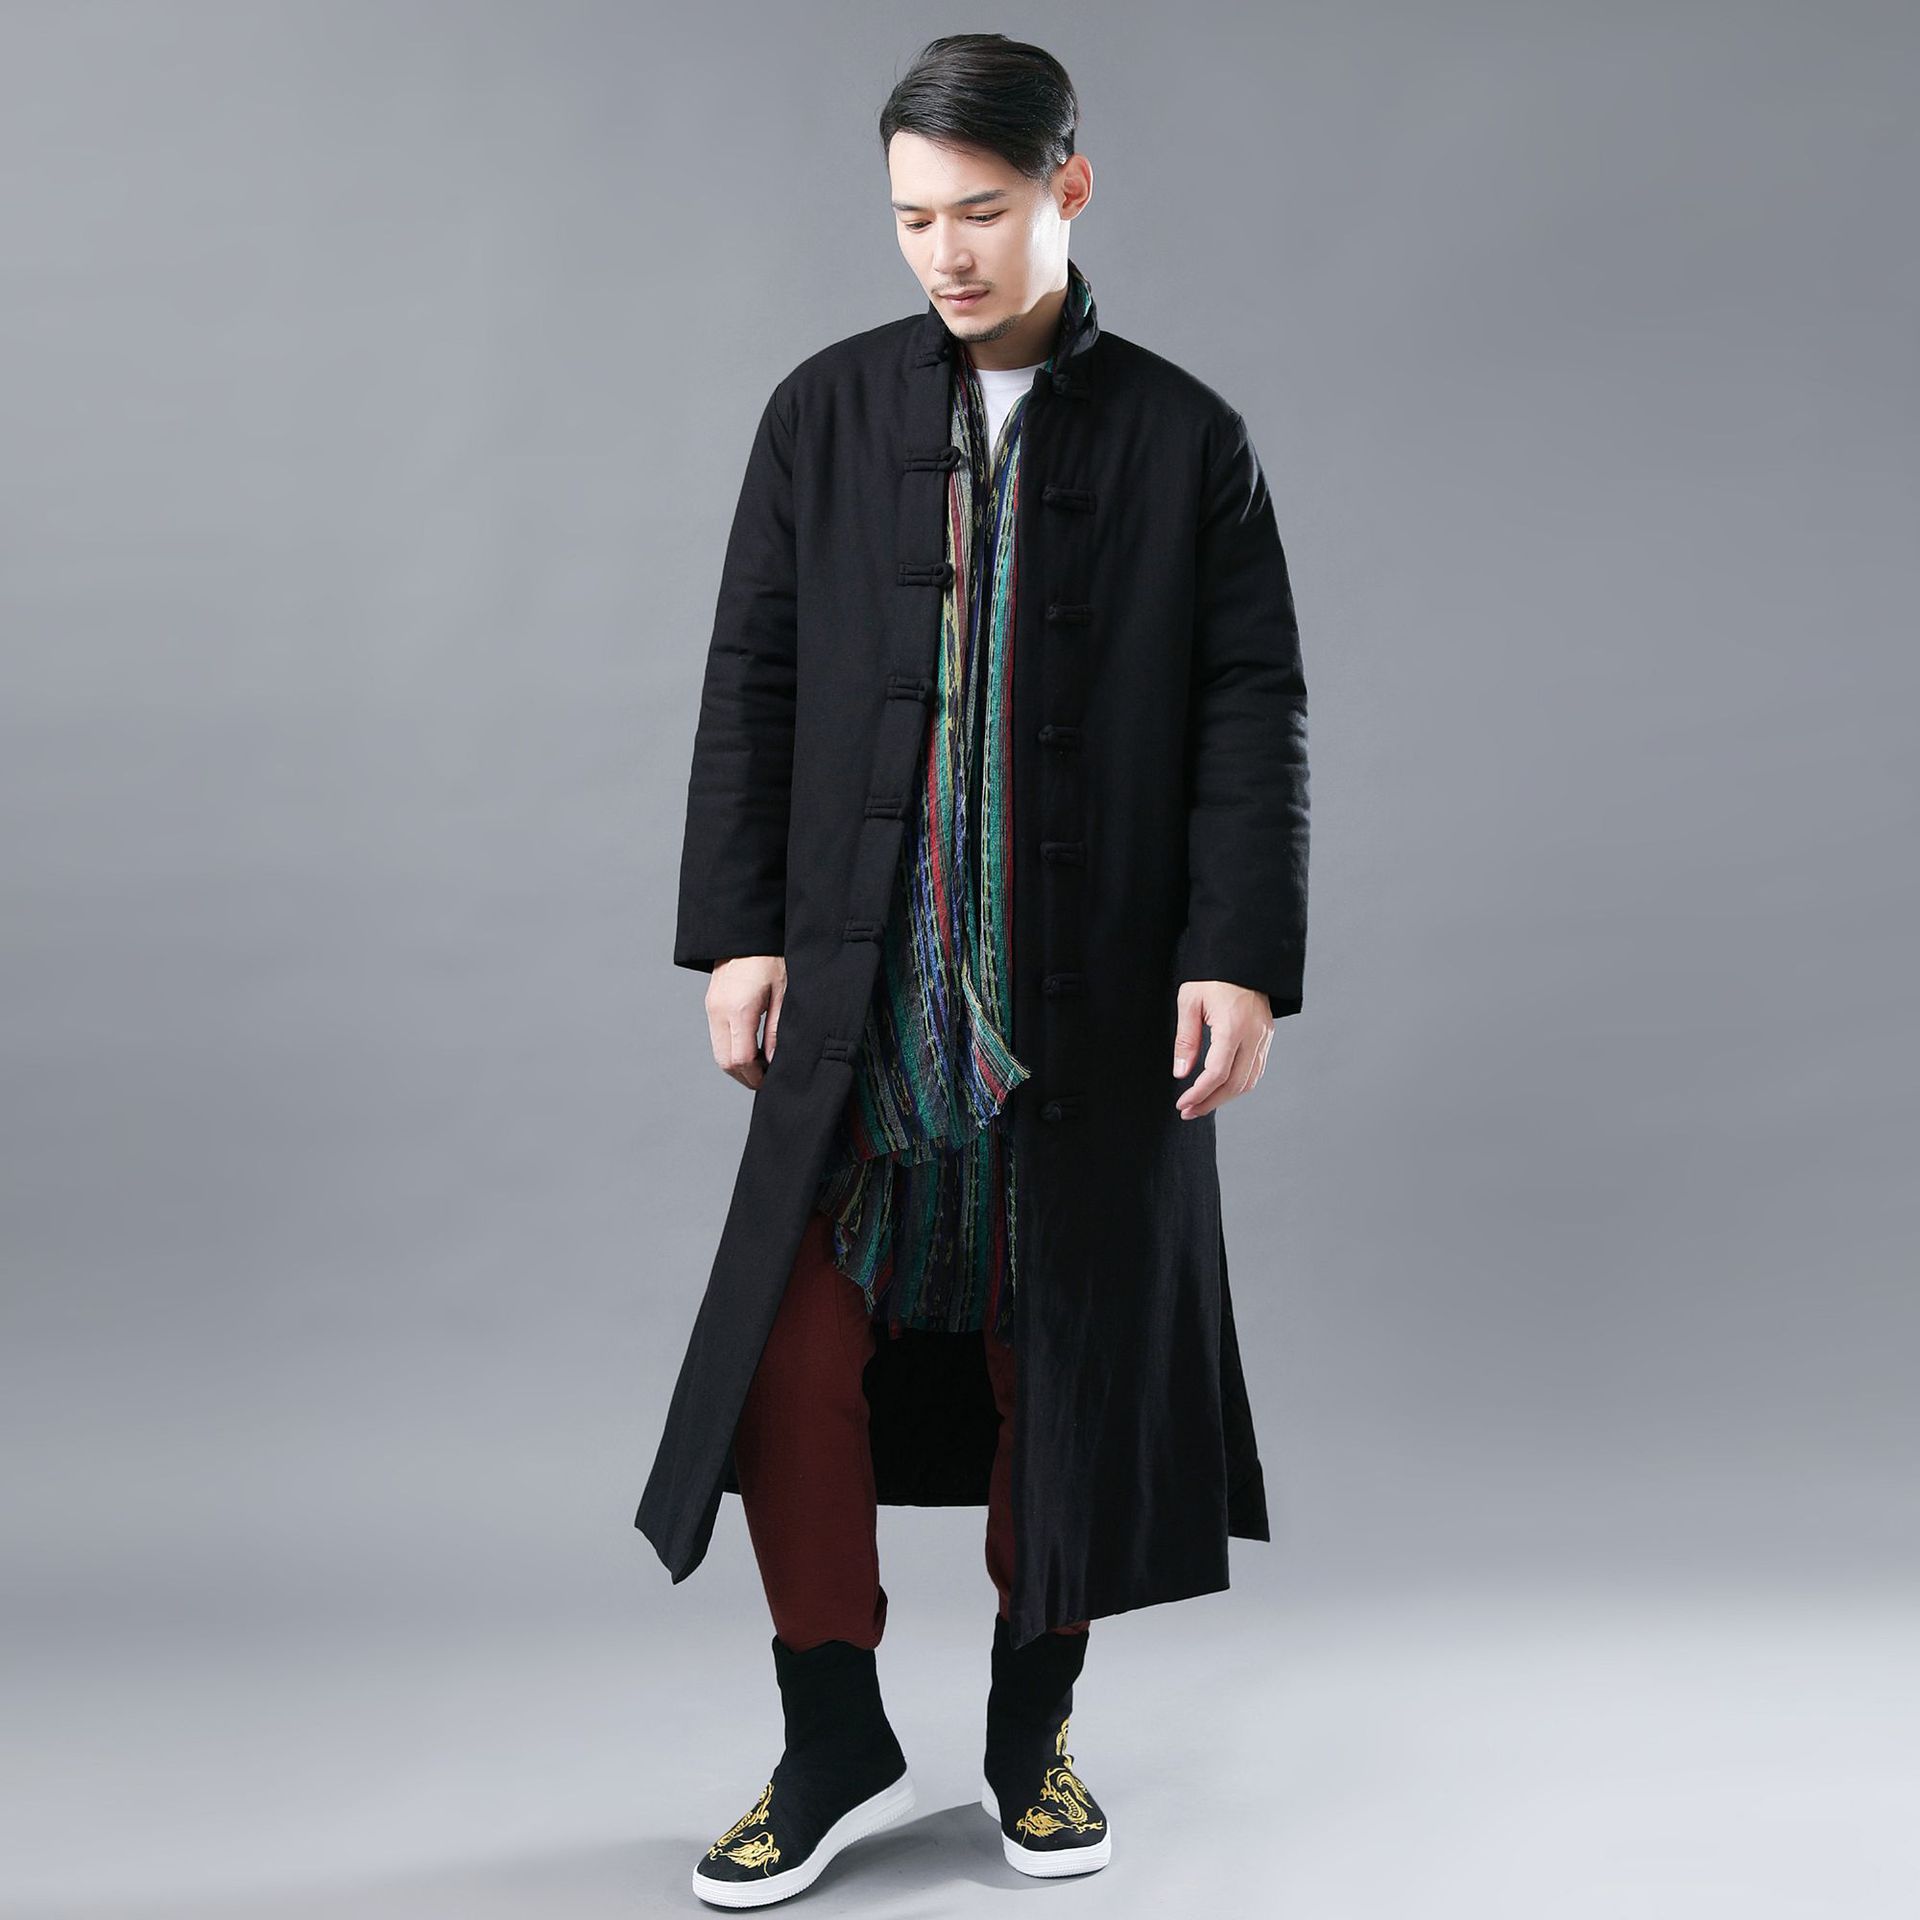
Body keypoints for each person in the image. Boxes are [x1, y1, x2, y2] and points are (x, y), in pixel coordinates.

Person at [638, 32, 1311, 1907]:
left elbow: (1252, 707)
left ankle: (1035, 1735)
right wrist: (739, 930)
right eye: (913, 218)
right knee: (790, 1353)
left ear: (1069, 189)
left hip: (1084, 989)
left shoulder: (1186, 437)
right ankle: (827, 1736)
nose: (944, 252)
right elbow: (752, 677)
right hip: (866, 976)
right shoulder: (822, 413)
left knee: (1060, 1352)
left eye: (983, 211)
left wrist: (1239, 958)